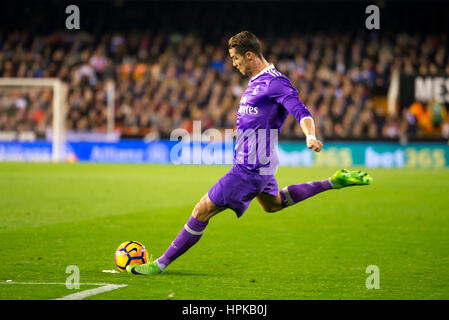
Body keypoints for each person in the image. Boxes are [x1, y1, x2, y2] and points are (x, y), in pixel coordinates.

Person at [127, 31, 372, 275]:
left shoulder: (276, 83)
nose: (233, 64)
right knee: (273, 204)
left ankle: (159, 265)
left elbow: (301, 111)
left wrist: (310, 135)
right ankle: (333, 182)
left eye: (236, 58)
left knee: (202, 210)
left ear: (250, 55)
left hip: (249, 167)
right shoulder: (256, 81)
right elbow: (254, 120)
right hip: (262, 164)